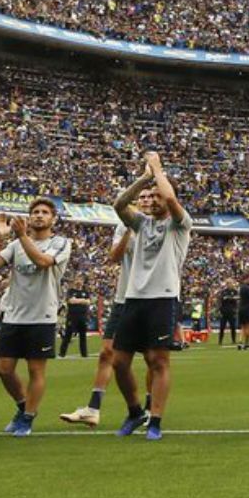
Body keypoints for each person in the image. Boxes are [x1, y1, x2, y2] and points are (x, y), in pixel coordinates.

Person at [110, 151, 193, 441]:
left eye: (157, 194)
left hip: (163, 298)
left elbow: (171, 200)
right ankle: (135, 411)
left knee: (158, 362)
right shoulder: (141, 224)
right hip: (134, 298)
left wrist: (158, 169)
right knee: (119, 362)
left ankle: (155, 419)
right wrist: (144, 177)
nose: (153, 199)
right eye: (149, 195)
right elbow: (120, 204)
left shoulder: (181, 224)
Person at [0, 201, 72, 436]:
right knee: (4, 369)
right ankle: (24, 406)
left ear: (53, 218)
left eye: (45, 212)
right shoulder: (15, 244)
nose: (39, 216)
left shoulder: (61, 243)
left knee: (36, 370)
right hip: (14, 313)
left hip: (42, 314)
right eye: (35, 212)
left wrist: (22, 236)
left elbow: (43, 262)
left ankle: (27, 419)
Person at [58, 222, 148, 427]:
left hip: (153, 298)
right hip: (123, 298)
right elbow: (115, 256)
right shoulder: (124, 226)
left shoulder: (163, 224)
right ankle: (94, 408)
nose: (145, 200)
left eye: (149, 196)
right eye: (141, 197)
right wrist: (128, 231)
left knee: (154, 358)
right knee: (107, 353)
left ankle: (151, 410)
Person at [60, 278, 93, 359]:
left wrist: (78, 300)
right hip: (72, 316)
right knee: (68, 335)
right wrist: (83, 300)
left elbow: (88, 302)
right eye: (77, 280)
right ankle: (62, 354)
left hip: (83, 317)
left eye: (80, 280)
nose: (79, 282)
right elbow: (71, 301)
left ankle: (84, 354)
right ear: (75, 282)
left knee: (83, 336)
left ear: (82, 282)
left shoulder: (85, 292)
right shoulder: (71, 291)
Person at [215, 277, 239, 348]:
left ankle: (234, 340)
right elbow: (221, 299)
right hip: (224, 311)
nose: (229, 284)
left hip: (232, 311)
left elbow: (237, 298)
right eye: (228, 283)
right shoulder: (223, 291)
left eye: (230, 283)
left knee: (233, 327)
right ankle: (220, 340)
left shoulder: (235, 291)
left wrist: (230, 298)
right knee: (222, 327)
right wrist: (219, 309)